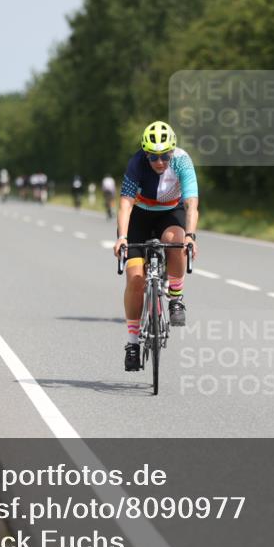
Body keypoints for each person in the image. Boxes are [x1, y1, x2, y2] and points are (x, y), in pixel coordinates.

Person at [112, 121, 199, 372]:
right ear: (145, 152)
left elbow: (191, 203)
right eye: (153, 156)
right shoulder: (136, 163)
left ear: (173, 151)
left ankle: (176, 297)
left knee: (177, 242)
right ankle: (132, 344)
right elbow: (126, 204)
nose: (159, 161)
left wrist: (191, 236)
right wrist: (122, 238)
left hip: (169, 213)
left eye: (164, 156)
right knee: (136, 279)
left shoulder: (182, 161)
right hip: (140, 214)